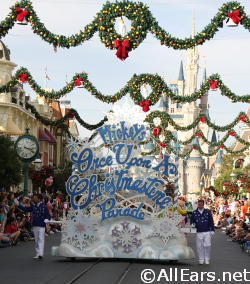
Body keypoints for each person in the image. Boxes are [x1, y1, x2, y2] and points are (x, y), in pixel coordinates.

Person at [14, 193, 51, 259]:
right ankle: (37, 253)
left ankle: (41, 253)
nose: (34, 198)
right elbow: (26, 209)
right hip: (35, 224)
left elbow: (48, 214)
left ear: (39, 198)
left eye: (35, 197)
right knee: (37, 240)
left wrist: (47, 219)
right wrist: (18, 205)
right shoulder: (34, 206)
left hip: (42, 224)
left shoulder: (44, 206)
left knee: (41, 239)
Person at [190, 199, 215, 265]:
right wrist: (192, 224)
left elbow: (211, 221)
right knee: (199, 246)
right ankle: (201, 259)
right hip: (199, 231)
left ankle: (207, 258)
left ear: (203, 205)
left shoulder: (207, 212)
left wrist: (212, 229)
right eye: (198, 204)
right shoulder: (194, 212)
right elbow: (192, 220)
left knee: (207, 245)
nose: (199, 206)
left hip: (206, 230)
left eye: (201, 204)